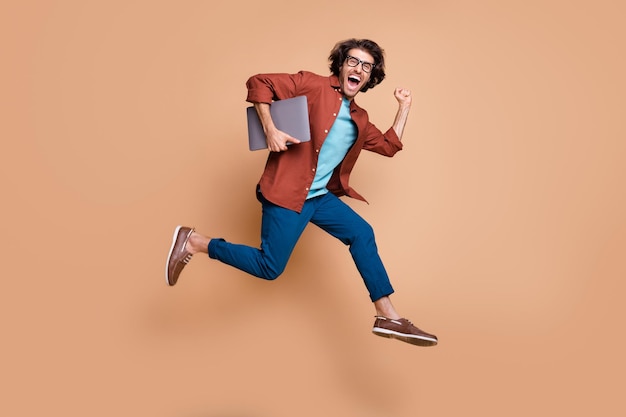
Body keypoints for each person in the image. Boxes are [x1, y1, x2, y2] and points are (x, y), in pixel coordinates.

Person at [165, 38, 437, 347]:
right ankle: (195, 241)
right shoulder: (312, 84)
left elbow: (389, 146)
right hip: (286, 191)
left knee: (362, 232)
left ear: (370, 76)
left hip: (318, 197)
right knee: (270, 268)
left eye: (366, 66)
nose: (358, 69)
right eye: (353, 61)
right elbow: (260, 83)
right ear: (341, 63)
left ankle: (386, 314)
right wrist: (269, 128)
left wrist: (405, 107)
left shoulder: (359, 119)